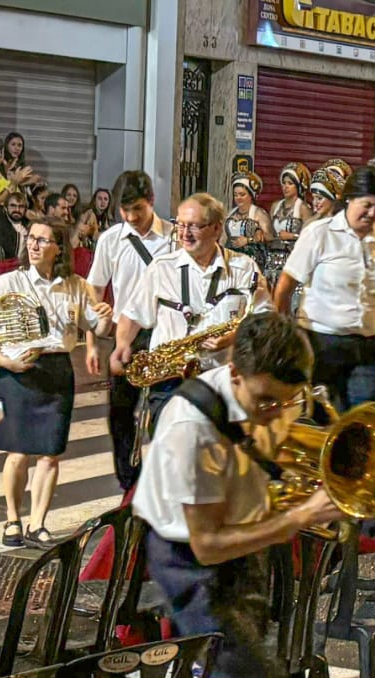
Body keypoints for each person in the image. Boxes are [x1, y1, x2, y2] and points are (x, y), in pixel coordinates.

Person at [134, 312, 339, 678]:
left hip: (245, 542)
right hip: (192, 564)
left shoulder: (270, 398)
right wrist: (297, 519)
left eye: (288, 402)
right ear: (234, 373)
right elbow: (206, 543)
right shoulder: (189, 429)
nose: (277, 415)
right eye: (268, 402)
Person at [0, 219, 110, 544]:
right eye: (31, 238)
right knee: (17, 453)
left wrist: (105, 319)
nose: (34, 244)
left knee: (50, 453)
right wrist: (4, 361)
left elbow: (97, 327)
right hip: (17, 371)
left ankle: (37, 523)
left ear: (59, 249)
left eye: (43, 240)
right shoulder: (8, 282)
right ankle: (12, 520)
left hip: (57, 369)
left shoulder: (76, 285)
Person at [272, 165, 375, 411]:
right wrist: (285, 335)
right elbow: (285, 288)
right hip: (320, 344)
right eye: (367, 205)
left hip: (363, 347)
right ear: (349, 199)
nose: (373, 213)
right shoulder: (320, 234)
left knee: (365, 415)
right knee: (320, 416)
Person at [117, 194, 263, 401]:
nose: (185, 234)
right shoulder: (161, 268)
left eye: (194, 226)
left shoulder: (245, 268)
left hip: (223, 382)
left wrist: (234, 337)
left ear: (216, 228)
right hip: (168, 381)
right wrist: (122, 345)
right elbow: (132, 315)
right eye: (180, 225)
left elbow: (265, 322)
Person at [89, 171, 171, 494]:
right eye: (125, 211)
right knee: (120, 412)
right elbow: (94, 290)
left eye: (137, 208)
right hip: (127, 336)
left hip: (166, 335)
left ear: (151, 201)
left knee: (164, 411)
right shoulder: (111, 240)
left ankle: (164, 482)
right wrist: (94, 340)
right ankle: (129, 482)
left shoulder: (174, 238)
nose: (132, 217)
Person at [271, 164, 314, 249]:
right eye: (284, 183)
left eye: (290, 183)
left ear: (297, 186)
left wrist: (292, 236)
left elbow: (310, 237)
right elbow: (269, 234)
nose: (285, 187)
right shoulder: (275, 206)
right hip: (273, 256)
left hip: (294, 255)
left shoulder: (303, 208)